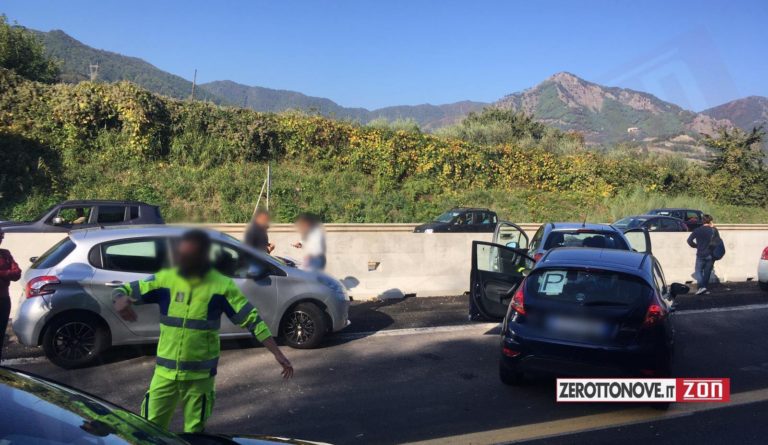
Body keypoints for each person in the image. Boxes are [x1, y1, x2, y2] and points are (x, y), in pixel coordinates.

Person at [112, 229, 293, 433]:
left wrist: (277, 353)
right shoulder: (165, 280)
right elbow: (124, 290)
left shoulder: (221, 286)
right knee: (149, 431)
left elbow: (252, 320)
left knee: (195, 433)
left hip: (200, 380)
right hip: (165, 375)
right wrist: (119, 299)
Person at [0, 228, 22, 360]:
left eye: (1, 237)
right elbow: (12, 273)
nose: (1, 239)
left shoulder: (5, 254)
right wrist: (6, 273)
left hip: (3, 300)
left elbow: (17, 273)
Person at [687, 214, 716, 295]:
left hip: (700, 254)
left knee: (698, 271)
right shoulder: (713, 230)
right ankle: (704, 288)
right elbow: (717, 242)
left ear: (702, 221)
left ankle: (701, 288)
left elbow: (689, 241)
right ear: (710, 221)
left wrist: (696, 246)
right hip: (710, 254)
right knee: (707, 272)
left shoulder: (697, 230)